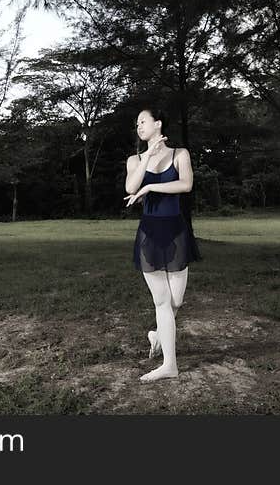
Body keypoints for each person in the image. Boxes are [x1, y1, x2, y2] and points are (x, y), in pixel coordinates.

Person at [124, 107, 201, 382]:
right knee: (163, 301)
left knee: (176, 300)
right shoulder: (134, 159)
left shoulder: (180, 154)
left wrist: (151, 188)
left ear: (158, 123)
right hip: (149, 233)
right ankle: (170, 365)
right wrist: (147, 157)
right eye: (137, 123)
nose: (138, 126)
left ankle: (158, 335)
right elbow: (131, 187)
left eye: (142, 121)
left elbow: (186, 185)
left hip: (176, 231)